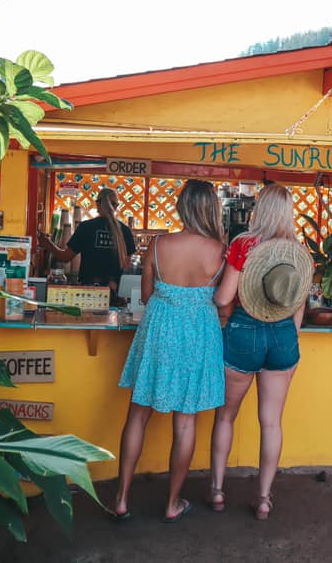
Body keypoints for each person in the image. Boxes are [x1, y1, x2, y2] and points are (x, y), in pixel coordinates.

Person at [113, 179, 227, 522]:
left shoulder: (159, 244)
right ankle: (172, 503)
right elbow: (225, 301)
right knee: (186, 422)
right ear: (211, 208)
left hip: (160, 329)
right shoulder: (220, 251)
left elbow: (146, 295)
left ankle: (121, 498)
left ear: (181, 206)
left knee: (138, 414)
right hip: (199, 333)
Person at [210, 184, 314, 520]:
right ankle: (265, 499)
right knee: (271, 423)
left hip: (244, 331)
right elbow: (297, 306)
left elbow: (223, 298)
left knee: (226, 416)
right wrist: (284, 337)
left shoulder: (244, 245)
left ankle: (217, 492)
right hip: (283, 335)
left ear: (260, 209)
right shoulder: (300, 253)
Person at [38, 187, 134, 299]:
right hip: (115, 293)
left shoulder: (86, 227)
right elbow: (127, 266)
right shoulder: (125, 231)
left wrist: (47, 243)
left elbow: (65, 257)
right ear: (116, 206)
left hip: (88, 293)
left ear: (98, 205)